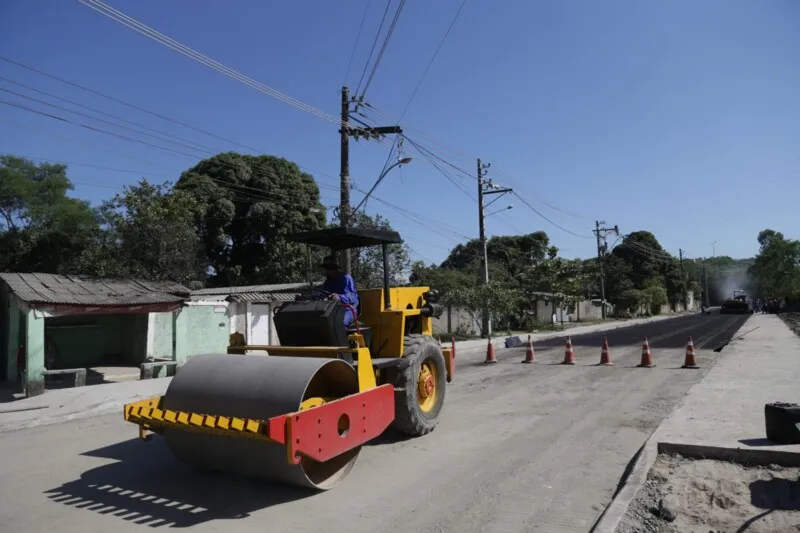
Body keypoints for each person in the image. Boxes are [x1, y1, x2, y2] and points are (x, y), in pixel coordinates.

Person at [320, 255, 359, 328]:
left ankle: (341, 339)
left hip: (347, 310)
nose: (325, 272)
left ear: (333, 269)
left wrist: (339, 297)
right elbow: (321, 294)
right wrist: (305, 298)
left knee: (339, 322)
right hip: (331, 310)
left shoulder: (346, 278)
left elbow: (353, 297)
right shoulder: (327, 282)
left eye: (327, 269)